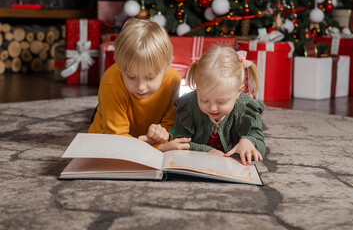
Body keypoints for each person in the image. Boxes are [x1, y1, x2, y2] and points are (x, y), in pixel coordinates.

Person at [88, 18, 190, 150]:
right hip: (108, 141)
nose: (141, 87)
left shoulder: (173, 79)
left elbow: (169, 124)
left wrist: (162, 136)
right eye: (131, 77)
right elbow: (117, 137)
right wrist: (158, 148)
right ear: (120, 66)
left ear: (166, 67)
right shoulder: (111, 81)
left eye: (150, 77)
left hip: (144, 140)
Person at [173, 46, 266, 166]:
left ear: (238, 92)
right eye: (204, 100)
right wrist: (207, 151)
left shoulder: (247, 107)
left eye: (221, 102)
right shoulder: (188, 106)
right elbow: (179, 142)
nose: (212, 108)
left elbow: (260, 142)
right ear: (197, 88)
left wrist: (249, 141)